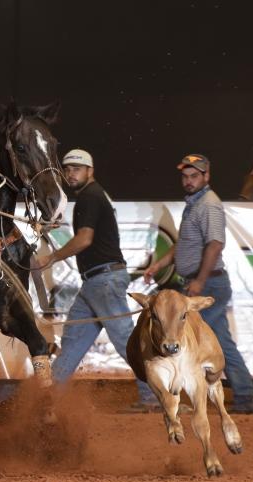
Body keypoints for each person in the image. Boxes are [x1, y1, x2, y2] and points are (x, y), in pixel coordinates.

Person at [36, 149, 158, 409]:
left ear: (90, 171)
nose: (71, 173)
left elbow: (84, 239)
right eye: (67, 169)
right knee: (72, 341)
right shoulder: (94, 195)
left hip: (104, 280)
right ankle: (47, 400)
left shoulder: (89, 197)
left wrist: (51, 258)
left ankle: (156, 397)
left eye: (77, 169)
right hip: (97, 282)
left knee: (127, 340)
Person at [144, 154, 253, 414]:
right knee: (207, 339)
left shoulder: (208, 204)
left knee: (217, 340)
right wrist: (158, 265)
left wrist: (200, 280)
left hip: (209, 284)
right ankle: (240, 394)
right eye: (185, 176)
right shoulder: (195, 204)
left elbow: (215, 244)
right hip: (201, 282)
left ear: (206, 176)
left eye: (194, 175)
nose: (188, 180)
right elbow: (183, 245)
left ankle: (246, 395)